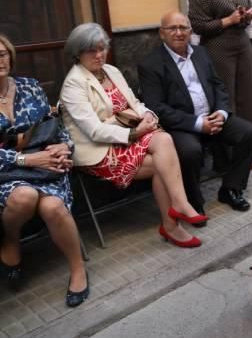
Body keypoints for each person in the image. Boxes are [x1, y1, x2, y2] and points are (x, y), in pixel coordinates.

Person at [59, 24, 206, 248]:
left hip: (128, 136)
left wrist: (148, 117)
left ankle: (178, 207)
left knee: (163, 141)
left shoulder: (111, 71)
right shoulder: (73, 83)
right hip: (99, 149)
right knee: (161, 162)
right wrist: (134, 132)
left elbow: (134, 104)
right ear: (77, 53)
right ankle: (173, 221)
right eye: (91, 51)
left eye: (102, 48)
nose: (99, 55)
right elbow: (94, 130)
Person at [138, 12, 252, 214]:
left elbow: (218, 85)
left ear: (191, 31)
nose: (178, 33)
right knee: (190, 151)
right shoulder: (151, 64)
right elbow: (156, 107)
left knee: (249, 133)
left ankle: (231, 188)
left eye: (183, 28)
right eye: (172, 28)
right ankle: (193, 202)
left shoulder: (201, 53)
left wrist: (221, 112)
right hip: (181, 124)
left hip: (212, 116)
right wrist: (197, 124)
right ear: (161, 33)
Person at [0, 35, 89, 307]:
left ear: (11, 56)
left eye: (3, 54)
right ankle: (10, 240)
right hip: (9, 170)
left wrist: (65, 147)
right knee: (23, 197)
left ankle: (78, 269)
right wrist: (28, 160)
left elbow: (54, 125)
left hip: (48, 165)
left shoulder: (30, 86)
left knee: (53, 208)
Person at [189, 0, 252, 170]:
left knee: (248, 97)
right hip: (218, 48)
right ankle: (227, 157)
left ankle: (251, 152)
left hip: (242, 43)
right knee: (225, 100)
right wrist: (228, 20)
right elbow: (198, 25)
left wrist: (246, 15)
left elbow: (243, 11)